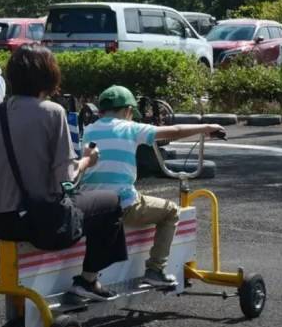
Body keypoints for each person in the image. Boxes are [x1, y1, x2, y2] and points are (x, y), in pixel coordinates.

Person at [0, 46, 127, 301]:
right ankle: (89, 279)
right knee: (112, 203)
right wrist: (87, 161)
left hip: (2, 221)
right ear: (49, 76)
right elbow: (67, 176)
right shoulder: (52, 112)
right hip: (43, 224)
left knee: (80, 202)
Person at [80, 85, 225, 287]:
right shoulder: (130, 128)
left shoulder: (88, 130)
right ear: (127, 111)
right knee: (171, 211)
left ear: (101, 110)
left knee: (141, 198)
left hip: (92, 203)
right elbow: (174, 131)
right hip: (122, 204)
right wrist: (207, 127)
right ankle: (155, 269)